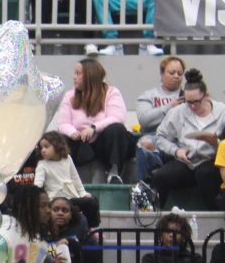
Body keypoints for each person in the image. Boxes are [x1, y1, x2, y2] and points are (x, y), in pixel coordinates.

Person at [150, 69, 225, 206]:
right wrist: (176, 151)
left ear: (206, 96)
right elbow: (160, 137)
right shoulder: (178, 112)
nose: (192, 106)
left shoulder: (222, 112)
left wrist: (217, 143)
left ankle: (215, 214)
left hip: (211, 161)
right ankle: (154, 213)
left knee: (205, 174)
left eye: (196, 102)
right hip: (186, 161)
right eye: (188, 102)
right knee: (160, 177)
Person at [56, 57, 133, 183]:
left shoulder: (111, 92)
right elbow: (63, 123)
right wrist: (72, 132)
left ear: (89, 76)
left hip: (103, 141)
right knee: (59, 138)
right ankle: (62, 178)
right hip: (80, 141)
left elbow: (117, 117)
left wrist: (93, 128)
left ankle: (113, 173)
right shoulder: (69, 96)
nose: (74, 77)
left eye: (78, 73)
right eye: (74, 73)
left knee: (117, 129)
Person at [135, 56, 185, 184]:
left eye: (180, 73)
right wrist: (169, 107)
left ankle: (159, 175)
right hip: (154, 137)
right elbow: (144, 120)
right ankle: (146, 186)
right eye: (172, 72)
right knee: (144, 143)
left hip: (178, 139)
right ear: (162, 74)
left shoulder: (188, 96)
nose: (176, 76)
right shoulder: (148, 96)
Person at [36, 131, 99, 227]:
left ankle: (91, 228)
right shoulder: (42, 165)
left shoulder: (67, 159)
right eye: (42, 148)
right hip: (55, 198)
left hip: (71, 195)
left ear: (57, 146)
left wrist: (82, 193)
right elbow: (38, 184)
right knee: (77, 204)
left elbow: (75, 177)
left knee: (92, 201)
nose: (43, 150)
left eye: (47, 146)